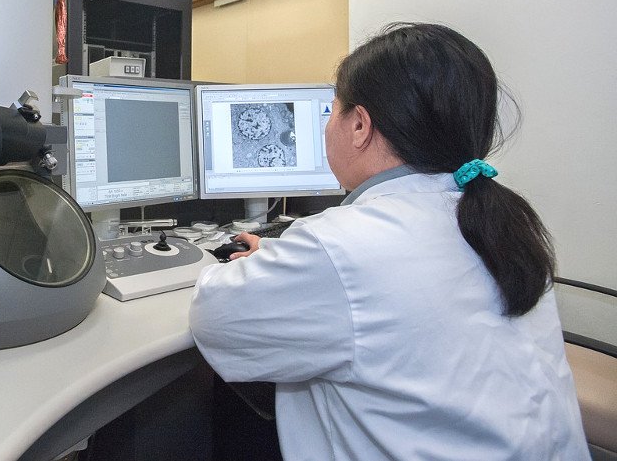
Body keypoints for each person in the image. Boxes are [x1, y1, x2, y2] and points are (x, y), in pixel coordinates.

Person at [189, 23, 589, 460]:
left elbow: (216, 317)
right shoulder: (502, 223)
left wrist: (283, 266)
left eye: (331, 112)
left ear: (359, 125)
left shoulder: (339, 245)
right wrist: (292, 266)